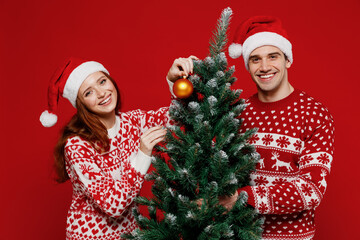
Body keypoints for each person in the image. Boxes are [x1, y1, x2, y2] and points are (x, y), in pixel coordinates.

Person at [39, 56, 196, 240]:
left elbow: (174, 119)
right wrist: (142, 154)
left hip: (130, 233)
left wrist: (174, 80)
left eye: (102, 81)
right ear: (80, 105)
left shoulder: (131, 122)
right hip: (90, 236)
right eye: (88, 93)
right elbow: (114, 206)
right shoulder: (77, 146)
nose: (101, 93)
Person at [218, 16, 334, 240]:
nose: (264, 67)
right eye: (255, 59)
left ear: (287, 60)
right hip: (238, 234)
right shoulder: (236, 112)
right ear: (248, 66)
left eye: (273, 57)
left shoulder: (314, 114)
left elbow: (311, 190)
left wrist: (241, 198)